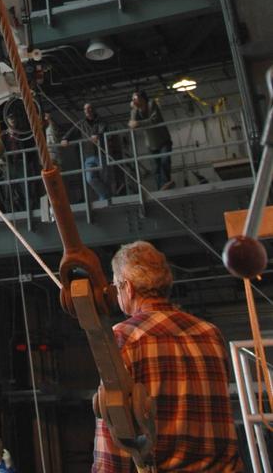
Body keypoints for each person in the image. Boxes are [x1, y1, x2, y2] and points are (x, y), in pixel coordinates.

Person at [92, 241, 244, 472]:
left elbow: (115, 428)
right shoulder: (211, 333)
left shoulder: (122, 337)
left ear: (129, 288)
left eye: (116, 285)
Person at [128, 89, 174, 190]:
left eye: (135, 98)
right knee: (155, 168)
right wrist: (134, 109)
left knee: (165, 160)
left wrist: (139, 124)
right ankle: (161, 187)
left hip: (163, 140)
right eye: (132, 99)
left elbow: (155, 119)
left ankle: (166, 183)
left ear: (141, 98)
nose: (133, 101)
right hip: (151, 144)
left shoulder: (151, 104)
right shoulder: (136, 110)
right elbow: (132, 124)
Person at [81, 101, 112, 203]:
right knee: (90, 179)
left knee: (105, 178)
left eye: (89, 108)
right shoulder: (82, 123)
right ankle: (106, 196)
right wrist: (65, 138)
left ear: (93, 110)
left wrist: (97, 135)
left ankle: (105, 198)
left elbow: (102, 129)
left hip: (101, 153)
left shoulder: (101, 121)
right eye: (85, 109)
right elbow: (71, 132)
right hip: (88, 155)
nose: (87, 111)